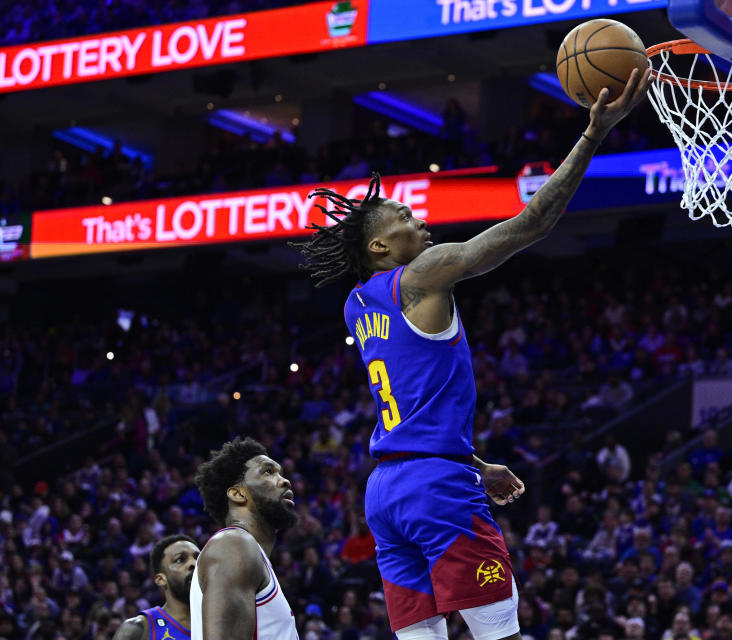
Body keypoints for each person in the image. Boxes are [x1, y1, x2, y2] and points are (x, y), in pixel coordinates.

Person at [292, 66, 653, 640]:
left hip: (385, 494)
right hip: (435, 490)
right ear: (380, 245)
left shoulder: (357, 305)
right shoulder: (422, 274)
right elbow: (529, 225)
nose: (420, 220)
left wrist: (476, 465)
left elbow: (412, 405)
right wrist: (593, 135)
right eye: (405, 218)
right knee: (500, 634)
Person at [190, 437, 299, 640]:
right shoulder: (233, 545)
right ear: (237, 493)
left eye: (280, 473)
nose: (285, 480)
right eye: (268, 471)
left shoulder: (246, 552)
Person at [113, 534, 199, 640]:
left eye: (198, 558)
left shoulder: (220, 624)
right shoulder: (138, 629)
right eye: (180, 560)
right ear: (161, 580)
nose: (194, 563)